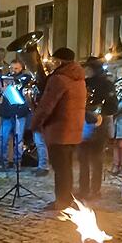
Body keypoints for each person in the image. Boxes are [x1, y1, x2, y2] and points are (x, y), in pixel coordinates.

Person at [32, 47, 86, 210]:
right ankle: (66, 197)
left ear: (61, 61)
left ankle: (62, 201)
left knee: (60, 168)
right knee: (66, 167)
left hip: (59, 130)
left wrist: (35, 123)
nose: (52, 64)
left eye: (55, 60)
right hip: (73, 129)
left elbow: (47, 105)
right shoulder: (79, 78)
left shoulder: (59, 79)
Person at [78, 57, 116, 200]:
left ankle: (94, 189)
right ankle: (85, 188)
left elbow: (112, 105)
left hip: (99, 123)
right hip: (84, 121)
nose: (86, 70)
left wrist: (99, 114)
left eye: (88, 68)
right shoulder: (84, 83)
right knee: (84, 158)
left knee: (96, 158)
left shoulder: (106, 84)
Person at [0, 60, 31, 169]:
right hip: (6, 113)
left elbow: (22, 85)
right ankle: (3, 162)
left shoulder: (25, 77)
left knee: (19, 139)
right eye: (11, 68)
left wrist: (11, 82)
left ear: (21, 68)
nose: (13, 70)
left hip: (19, 112)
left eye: (16, 68)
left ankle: (18, 162)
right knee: (3, 138)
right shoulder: (5, 78)